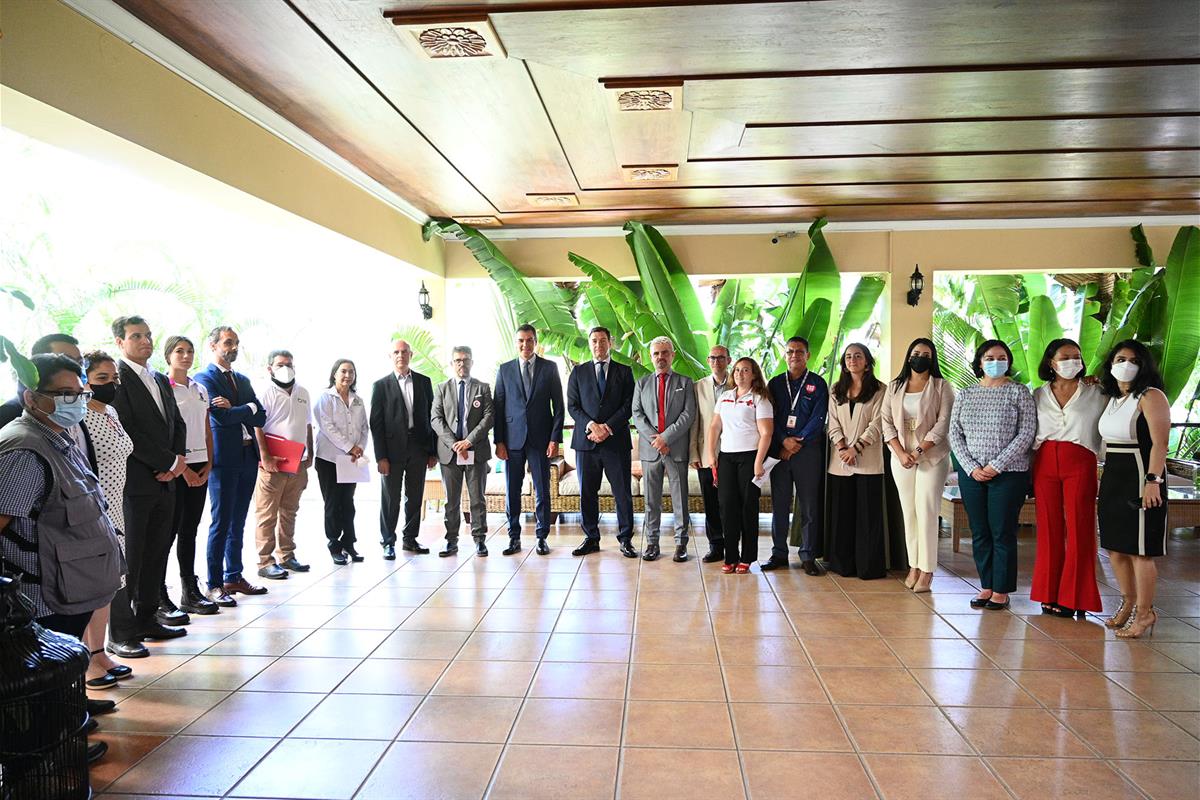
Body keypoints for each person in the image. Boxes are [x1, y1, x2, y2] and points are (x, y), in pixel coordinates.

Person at [0, 354, 123, 765]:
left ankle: (61, 741)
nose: (75, 400)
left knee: (59, 685)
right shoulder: (24, 448)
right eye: (63, 394)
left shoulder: (58, 436)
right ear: (30, 397)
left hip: (68, 587)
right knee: (41, 689)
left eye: (79, 392)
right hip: (40, 593)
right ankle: (43, 760)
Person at [108, 315, 189, 656]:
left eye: (148, 334)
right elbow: (126, 428)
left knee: (157, 553)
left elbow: (178, 424)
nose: (145, 340)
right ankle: (121, 633)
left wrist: (177, 462)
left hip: (166, 482)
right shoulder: (117, 378)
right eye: (136, 335)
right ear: (120, 342)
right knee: (132, 558)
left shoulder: (158, 377)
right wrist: (166, 463)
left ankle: (147, 619)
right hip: (136, 483)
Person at [949, 339, 1036, 611]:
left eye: (1001, 357)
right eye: (989, 357)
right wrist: (971, 466)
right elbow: (954, 433)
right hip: (971, 473)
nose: (995, 362)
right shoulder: (965, 394)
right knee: (979, 531)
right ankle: (986, 586)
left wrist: (996, 465)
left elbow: (1027, 433)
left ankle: (1001, 589)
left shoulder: (1019, 393)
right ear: (980, 362)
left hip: (1009, 473)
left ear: (1008, 362)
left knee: (1002, 531)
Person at [1097, 340, 1171, 639]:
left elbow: (1160, 443)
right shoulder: (1113, 398)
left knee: (1141, 551)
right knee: (1115, 547)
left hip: (1141, 473)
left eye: (1133, 360)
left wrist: (1153, 481)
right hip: (1114, 474)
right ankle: (1128, 602)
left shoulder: (1151, 396)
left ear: (1144, 366)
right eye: (1120, 358)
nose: (1126, 364)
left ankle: (1145, 612)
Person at [1030, 338, 1106, 618]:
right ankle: (1048, 593)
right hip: (1045, 460)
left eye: (1077, 356)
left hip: (1081, 460)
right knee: (1049, 529)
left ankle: (1076, 596)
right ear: (1051, 362)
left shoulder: (1096, 391)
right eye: (1065, 356)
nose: (1072, 361)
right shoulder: (1038, 394)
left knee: (1080, 528)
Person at [193, 326, 267, 606]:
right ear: (213, 346)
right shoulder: (204, 378)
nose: (233, 347)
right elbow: (221, 418)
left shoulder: (243, 379)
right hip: (224, 461)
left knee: (239, 520)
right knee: (221, 522)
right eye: (227, 342)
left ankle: (233, 576)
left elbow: (261, 416)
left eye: (235, 343)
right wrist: (247, 408)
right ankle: (213, 584)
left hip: (248, 457)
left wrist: (245, 409)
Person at [79, 352, 136, 688]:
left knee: (109, 584)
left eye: (113, 379)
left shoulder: (112, 411)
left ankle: (100, 651)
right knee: (90, 584)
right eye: (102, 379)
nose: (111, 385)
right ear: (84, 380)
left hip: (116, 508)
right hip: (90, 510)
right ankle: (85, 659)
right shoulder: (78, 415)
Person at [881, 337, 955, 594]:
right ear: (908, 356)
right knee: (909, 512)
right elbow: (886, 422)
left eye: (926, 354)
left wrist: (919, 449)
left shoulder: (942, 386)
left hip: (931, 456)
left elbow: (944, 423)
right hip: (901, 456)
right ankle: (913, 565)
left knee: (926, 511)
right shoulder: (895, 386)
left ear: (932, 359)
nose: (920, 357)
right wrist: (901, 452)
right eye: (916, 352)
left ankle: (927, 570)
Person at [493, 325, 564, 556]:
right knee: (513, 490)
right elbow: (498, 407)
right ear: (517, 343)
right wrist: (499, 441)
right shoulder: (504, 370)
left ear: (536, 341)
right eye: (521, 341)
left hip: (541, 440)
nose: (525, 345)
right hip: (512, 441)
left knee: (543, 490)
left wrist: (555, 439)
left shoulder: (549, 368)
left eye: (529, 340)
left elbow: (559, 407)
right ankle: (514, 537)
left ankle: (542, 537)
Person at [566, 327, 636, 559]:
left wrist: (607, 428)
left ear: (610, 342)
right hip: (586, 443)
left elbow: (628, 405)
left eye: (603, 340)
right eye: (594, 341)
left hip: (616, 442)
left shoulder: (624, 372)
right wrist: (592, 425)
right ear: (589, 344)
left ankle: (626, 539)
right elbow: (573, 406)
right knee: (587, 492)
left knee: (622, 493)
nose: (598, 345)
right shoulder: (578, 372)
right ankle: (591, 538)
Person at [765, 336, 829, 575]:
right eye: (790, 351)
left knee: (809, 505)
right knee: (779, 505)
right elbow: (769, 416)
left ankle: (808, 555)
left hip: (807, 451)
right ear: (785, 355)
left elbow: (819, 417)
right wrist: (783, 441)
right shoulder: (775, 384)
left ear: (808, 355)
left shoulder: (818, 383)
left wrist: (797, 441)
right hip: (781, 453)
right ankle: (778, 553)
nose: (794, 356)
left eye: (799, 352)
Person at [164, 335, 218, 616]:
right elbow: (165, 431)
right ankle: (159, 593)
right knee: (167, 531)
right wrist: (181, 469)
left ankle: (190, 589)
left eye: (189, 351)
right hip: (176, 465)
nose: (185, 356)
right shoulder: (164, 387)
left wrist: (209, 461)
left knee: (190, 529)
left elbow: (206, 427)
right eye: (179, 351)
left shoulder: (199, 388)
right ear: (168, 355)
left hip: (200, 462)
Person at [370, 339, 437, 559]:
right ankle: (388, 541)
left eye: (404, 352)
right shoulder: (380, 386)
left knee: (415, 496)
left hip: (418, 448)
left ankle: (410, 539)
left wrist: (432, 451)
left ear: (411, 355)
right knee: (391, 498)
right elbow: (376, 424)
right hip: (391, 451)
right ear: (390, 356)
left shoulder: (424, 382)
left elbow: (432, 418)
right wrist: (381, 456)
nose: (400, 355)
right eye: (396, 352)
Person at [825, 344, 887, 579]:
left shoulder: (881, 390)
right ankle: (843, 565)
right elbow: (832, 422)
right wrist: (842, 447)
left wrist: (856, 448)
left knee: (868, 517)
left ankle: (868, 567)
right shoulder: (835, 390)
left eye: (858, 356)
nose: (853, 360)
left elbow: (878, 423)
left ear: (867, 362)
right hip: (840, 462)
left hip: (868, 461)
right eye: (849, 356)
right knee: (843, 515)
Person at [706, 357, 773, 574]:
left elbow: (766, 433)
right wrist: (711, 454)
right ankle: (731, 556)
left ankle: (747, 557)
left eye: (745, 370)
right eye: (737, 370)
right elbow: (715, 427)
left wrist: (758, 462)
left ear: (754, 374)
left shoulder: (760, 399)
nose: (739, 374)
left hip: (750, 458)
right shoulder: (725, 397)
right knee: (727, 507)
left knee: (747, 508)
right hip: (726, 458)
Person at [632, 336, 697, 562]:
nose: (661, 357)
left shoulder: (685, 383)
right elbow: (637, 415)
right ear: (651, 356)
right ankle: (652, 542)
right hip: (651, 451)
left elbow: (688, 415)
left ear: (673, 355)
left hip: (675, 449)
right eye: (656, 353)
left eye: (665, 353)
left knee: (680, 499)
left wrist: (666, 438)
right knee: (651, 500)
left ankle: (681, 544)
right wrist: (655, 439)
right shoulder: (641, 384)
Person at [252, 349, 314, 578]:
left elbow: (308, 424)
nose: (285, 368)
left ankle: (287, 555)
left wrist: (311, 453)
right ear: (270, 369)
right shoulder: (264, 392)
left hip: (298, 461)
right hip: (273, 463)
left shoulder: (303, 392)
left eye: (289, 363)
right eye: (280, 364)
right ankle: (265, 562)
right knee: (267, 514)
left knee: (290, 512)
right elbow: (256, 425)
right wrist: (265, 456)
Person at [431, 347, 494, 557]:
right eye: (457, 360)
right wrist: (454, 443)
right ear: (451, 363)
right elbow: (436, 419)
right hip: (449, 454)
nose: (461, 364)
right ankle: (451, 541)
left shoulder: (482, 388)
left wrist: (467, 441)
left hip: (476, 451)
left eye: (465, 360)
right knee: (451, 501)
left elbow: (488, 418)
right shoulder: (441, 388)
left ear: (472, 362)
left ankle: (479, 540)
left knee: (477, 498)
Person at [314, 359, 369, 565]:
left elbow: (364, 427)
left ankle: (349, 543)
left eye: (351, 372)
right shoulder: (325, 398)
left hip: (351, 460)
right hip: (329, 458)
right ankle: (334, 545)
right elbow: (327, 427)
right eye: (343, 371)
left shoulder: (358, 400)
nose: (347, 376)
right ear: (334, 374)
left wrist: (360, 448)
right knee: (333, 502)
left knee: (348, 503)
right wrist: (350, 447)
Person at [690, 345, 732, 563]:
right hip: (706, 453)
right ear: (708, 361)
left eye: (721, 358)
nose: (717, 361)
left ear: (729, 359)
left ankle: (733, 545)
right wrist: (694, 454)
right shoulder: (698, 387)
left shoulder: (739, 383)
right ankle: (716, 545)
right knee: (711, 502)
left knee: (731, 501)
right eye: (713, 358)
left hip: (734, 452)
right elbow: (695, 421)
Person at [0, 334, 91, 430]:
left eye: (80, 362)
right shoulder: (8, 413)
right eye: (66, 360)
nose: (76, 367)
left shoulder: (78, 403)